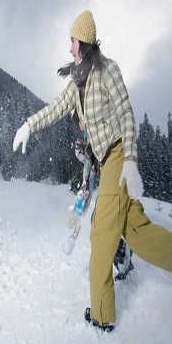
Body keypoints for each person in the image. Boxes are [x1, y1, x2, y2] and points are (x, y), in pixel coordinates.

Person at [13, 10, 172, 332]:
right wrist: (28, 125)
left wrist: (132, 162)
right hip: (107, 162)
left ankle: (102, 315)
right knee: (136, 232)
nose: (69, 48)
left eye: (73, 41)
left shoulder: (107, 71)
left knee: (101, 236)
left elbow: (126, 114)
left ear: (85, 42)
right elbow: (56, 108)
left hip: (119, 159)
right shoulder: (77, 81)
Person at [74, 112, 134, 281]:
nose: (80, 127)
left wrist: (88, 149)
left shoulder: (98, 120)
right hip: (120, 176)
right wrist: (86, 182)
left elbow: (105, 141)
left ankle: (123, 257)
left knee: (102, 221)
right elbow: (90, 164)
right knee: (122, 221)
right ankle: (126, 255)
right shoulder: (90, 131)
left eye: (80, 123)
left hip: (120, 175)